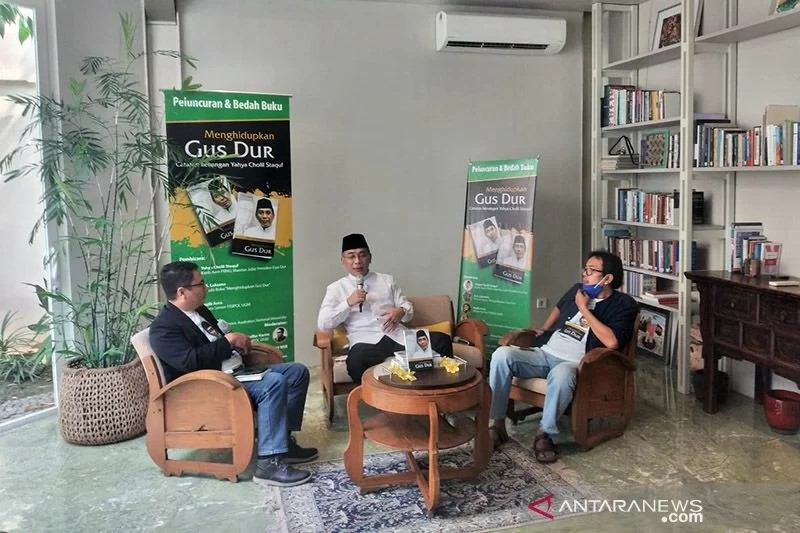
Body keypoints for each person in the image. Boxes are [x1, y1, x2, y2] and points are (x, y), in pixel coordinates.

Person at [149, 261, 317, 487]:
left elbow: (213, 344)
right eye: (201, 284)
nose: (206, 288)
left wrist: (237, 346)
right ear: (182, 292)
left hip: (235, 373)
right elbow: (189, 361)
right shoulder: (163, 327)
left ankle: (283, 444)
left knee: (296, 372)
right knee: (273, 383)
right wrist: (228, 342)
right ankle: (268, 465)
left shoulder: (200, 311)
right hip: (212, 387)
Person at [487, 250, 638, 463]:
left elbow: (612, 342)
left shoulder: (623, 304)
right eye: (585, 268)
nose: (585, 274)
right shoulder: (577, 290)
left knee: (562, 374)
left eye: (591, 270)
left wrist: (584, 308)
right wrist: (544, 328)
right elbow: (558, 308)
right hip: (545, 353)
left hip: (577, 363)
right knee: (502, 355)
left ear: (607, 278)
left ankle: (544, 433)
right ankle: (498, 424)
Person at [317, 233, 453, 383]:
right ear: (343, 261)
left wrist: (401, 312)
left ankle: (437, 389)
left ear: (370, 258)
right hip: (365, 341)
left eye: (362, 255)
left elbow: (407, 308)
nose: (357, 261)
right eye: (351, 256)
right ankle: (374, 395)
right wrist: (348, 303)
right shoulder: (336, 288)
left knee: (442, 340)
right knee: (356, 361)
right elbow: (323, 323)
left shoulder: (386, 280)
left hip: (398, 336)